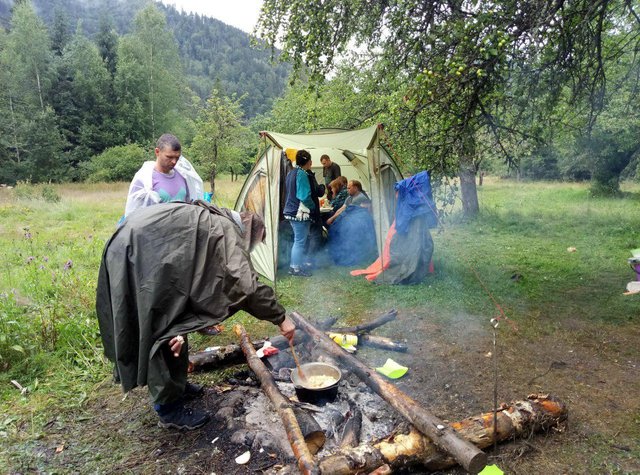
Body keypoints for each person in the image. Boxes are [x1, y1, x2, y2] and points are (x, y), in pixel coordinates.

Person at [96, 201, 295, 430]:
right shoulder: (227, 230)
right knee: (159, 327)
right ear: (249, 233)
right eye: (253, 245)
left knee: (176, 323)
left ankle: (177, 387)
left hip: (145, 250)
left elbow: (201, 275)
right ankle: (168, 409)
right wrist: (281, 318)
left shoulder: (218, 222)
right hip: (137, 254)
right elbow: (247, 286)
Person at [123, 133, 204, 218]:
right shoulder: (145, 180)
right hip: (155, 230)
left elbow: (191, 205)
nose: (174, 161)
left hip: (182, 229)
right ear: (157, 152)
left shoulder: (184, 176)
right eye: (169, 157)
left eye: (177, 157)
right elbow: (134, 214)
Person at [283, 150, 316, 277]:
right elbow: (304, 196)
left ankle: (295, 265)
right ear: (308, 162)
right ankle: (295, 268)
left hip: (290, 210)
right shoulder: (302, 174)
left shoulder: (291, 173)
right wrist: (312, 206)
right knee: (300, 241)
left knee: (298, 240)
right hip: (299, 212)